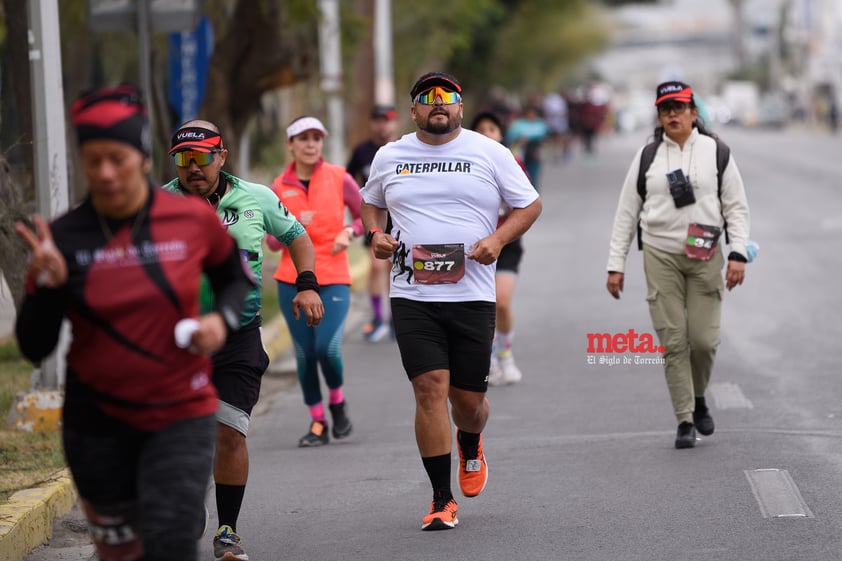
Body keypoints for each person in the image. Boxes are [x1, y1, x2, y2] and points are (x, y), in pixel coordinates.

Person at [14, 84, 255, 561]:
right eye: (93, 160)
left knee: (170, 541)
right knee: (120, 553)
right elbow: (33, 345)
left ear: (144, 160)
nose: (105, 173)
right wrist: (46, 287)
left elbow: (236, 279)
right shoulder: (63, 237)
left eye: (118, 159)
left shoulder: (189, 220)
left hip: (179, 413)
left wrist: (221, 322)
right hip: (97, 422)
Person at [360, 72, 542, 530]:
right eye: (428, 97)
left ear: (461, 107)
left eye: (448, 97)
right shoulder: (390, 155)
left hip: (471, 293)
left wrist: (498, 239)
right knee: (428, 390)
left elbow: (530, 205)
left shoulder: (489, 152)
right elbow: (370, 203)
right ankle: (442, 498)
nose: (438, 103)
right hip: (412, 292)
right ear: (413, 109)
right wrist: (375, 235)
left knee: (468, 404)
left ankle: (471, 442)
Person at [162, 120, 324, 561]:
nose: (193, 167)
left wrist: (307, 283)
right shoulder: (158, 205)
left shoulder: (257, 198)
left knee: (229, 431)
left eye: (202, 157)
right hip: (178, 341)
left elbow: (297, 237)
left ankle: (228, 531)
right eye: (183, 159)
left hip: (239, 335)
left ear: (222, 156)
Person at [605, 80, 750, 449]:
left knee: (703, 341)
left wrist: (737, 253)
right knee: (673, 342)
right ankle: (685, 418)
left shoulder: (716, 151)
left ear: (693, 112)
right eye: (666, 108)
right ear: (659, 115)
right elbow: (626, 212)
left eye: (680, 107)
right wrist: (615, 265)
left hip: (706, 255)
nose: (673, 114)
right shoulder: (648, 157)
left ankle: (699, 397)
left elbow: (736, 206)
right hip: (659, 254)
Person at [267, 115, 363, 447]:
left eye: (316, 138)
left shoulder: (339, 177)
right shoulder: (277, 188)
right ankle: (318, 421)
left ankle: (337, 400)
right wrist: (290, 225)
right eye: (303, 138)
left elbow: (369, 213)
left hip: (333, 276)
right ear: (290, 144)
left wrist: (350, 232)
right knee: (305, 354)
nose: (311, 144)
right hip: (290, 280)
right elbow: (272, 243)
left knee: (327, 347)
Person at [469, 111, 533, 386]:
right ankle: (490, 358)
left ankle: (505, 355)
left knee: (502, 302)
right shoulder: (464, 165)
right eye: (480, 129)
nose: (486, 133)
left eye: (492, 129)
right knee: (481, 307)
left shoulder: (512, 163)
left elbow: (527, 203)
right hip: (473, 247)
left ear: (501, 135)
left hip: (506, 243)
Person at [346, 105, 399, 342]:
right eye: (378, 120)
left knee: (394, 269)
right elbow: (347, 181)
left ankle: (395, 320)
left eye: (387, 120)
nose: (383, 125)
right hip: (374, 217)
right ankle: (378, 317)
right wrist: (356, 212)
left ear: (395, 123)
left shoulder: (403, 149)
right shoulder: (361, 152)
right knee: (377, 267)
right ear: (372, 123)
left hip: (400, 216)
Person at [505, 105, 549, 190]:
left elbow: (545, 136)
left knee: (533, 175)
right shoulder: (519, 124)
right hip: (521, 152)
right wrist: (519, 139)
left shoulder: (540, 124)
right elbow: (510, 136)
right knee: (522, 175)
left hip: (535, 152)